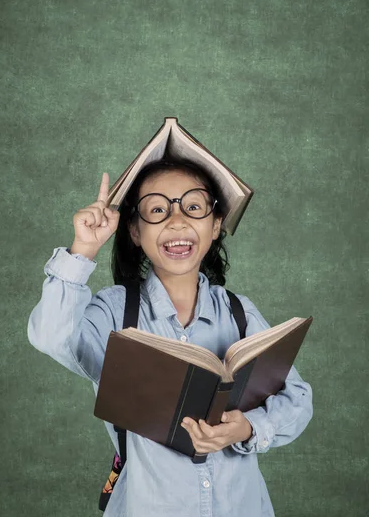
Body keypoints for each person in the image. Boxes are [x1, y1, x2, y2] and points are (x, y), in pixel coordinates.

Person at [27, 157, 313, 517]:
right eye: (158, 210)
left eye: (193, 207)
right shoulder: (116, 311)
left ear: (215, 224)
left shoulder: (239, 312)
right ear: (134, 231)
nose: (177, 221)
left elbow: (298, 400)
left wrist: (247, 428)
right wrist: (83, 248)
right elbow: (50, 335)